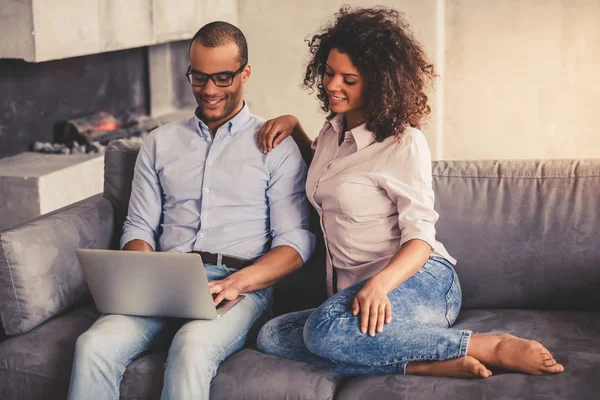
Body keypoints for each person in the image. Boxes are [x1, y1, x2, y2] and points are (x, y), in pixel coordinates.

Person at [255, 6, 564, 379]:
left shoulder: (404, 143)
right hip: (353, 295)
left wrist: (380, 286)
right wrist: (295, 128)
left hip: (418, 283)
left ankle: (486, 346)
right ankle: (421, 364)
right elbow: (329, 177)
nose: (332, 85)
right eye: (329, 72)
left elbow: (421, 238)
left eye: (348, 79)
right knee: (272, 335)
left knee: (323, 332)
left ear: (377, 82)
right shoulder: (331, 132)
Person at [67, 21, 315, 400]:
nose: (209, 90)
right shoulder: (160, 142)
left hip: (238, 284)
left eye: (222, 77)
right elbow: (138, 227)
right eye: (199, 77)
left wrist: (239, 282)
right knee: (93, 345)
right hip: (165, 276)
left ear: (245, 73)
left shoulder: (275, 146)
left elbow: (295, 243)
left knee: (192, 346)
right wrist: (141, 273)